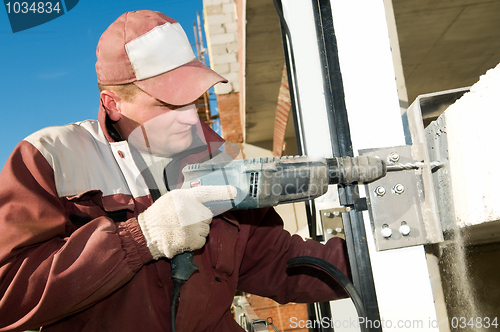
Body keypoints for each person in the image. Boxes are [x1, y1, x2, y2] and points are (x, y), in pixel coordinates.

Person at [0, 10, 350, 332]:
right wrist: (142, 239)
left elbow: (277, 262)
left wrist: (372, 261)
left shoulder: (218, 164)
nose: (189, 117)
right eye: (167, 103)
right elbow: (8, 295)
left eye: (193, 99)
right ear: (113, 104)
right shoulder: (51, 157)